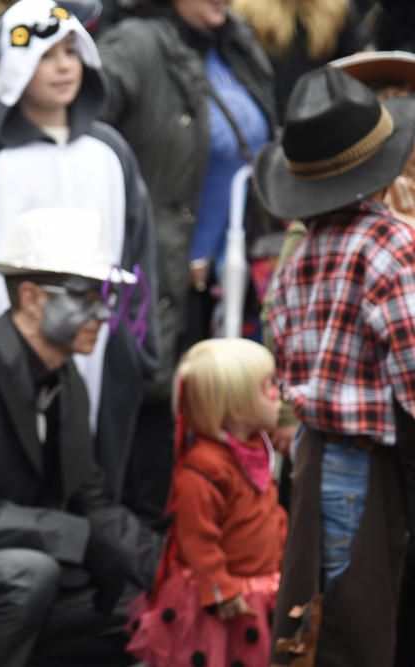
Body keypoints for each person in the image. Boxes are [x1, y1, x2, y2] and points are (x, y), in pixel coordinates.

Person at [0, 207, 161, 667]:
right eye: (85, 296)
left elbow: (94, 503)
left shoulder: (67, 379)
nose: (103, 312)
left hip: (20, 563)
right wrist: (76, 538)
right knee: (29, 574)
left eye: (103, 296)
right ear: (31, 297)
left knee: (145, 607)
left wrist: (171, 571)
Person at [0, 0, 159, 506]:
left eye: (72, 51)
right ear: (14, 68)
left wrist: (139, 345)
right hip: (5, 350)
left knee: (94, 473)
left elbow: (138, 254)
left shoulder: (110, 151)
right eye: (46, 55)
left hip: (101, 344)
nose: (63, 66)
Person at [258, 65, 415, 666]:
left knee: (319, 612)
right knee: (360, 623)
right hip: (369, 462)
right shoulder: (392, 246)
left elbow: (290, 357)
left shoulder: (300, 257)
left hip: (315, 454)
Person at [97, 0, 275, 521]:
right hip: (158, 282)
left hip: (235, 280)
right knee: (159, 442)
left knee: (222, 439)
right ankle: (149, 581)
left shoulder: (237, 41)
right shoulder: (134, 44)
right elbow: (77, 135)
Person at [127, 338, 287, 667]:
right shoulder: (204, 467)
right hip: (221, 600)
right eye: (267, 385)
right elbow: (198, 538)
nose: (279, 393)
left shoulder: (257, 450)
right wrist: (221, 590)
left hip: (261, 588)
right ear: (237, 406)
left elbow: (267, 514)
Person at [230, 0, 367, 120]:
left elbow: (354, 57)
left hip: (327, 112)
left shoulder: (338, 7)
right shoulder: (244, 11)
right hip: (273, 113)